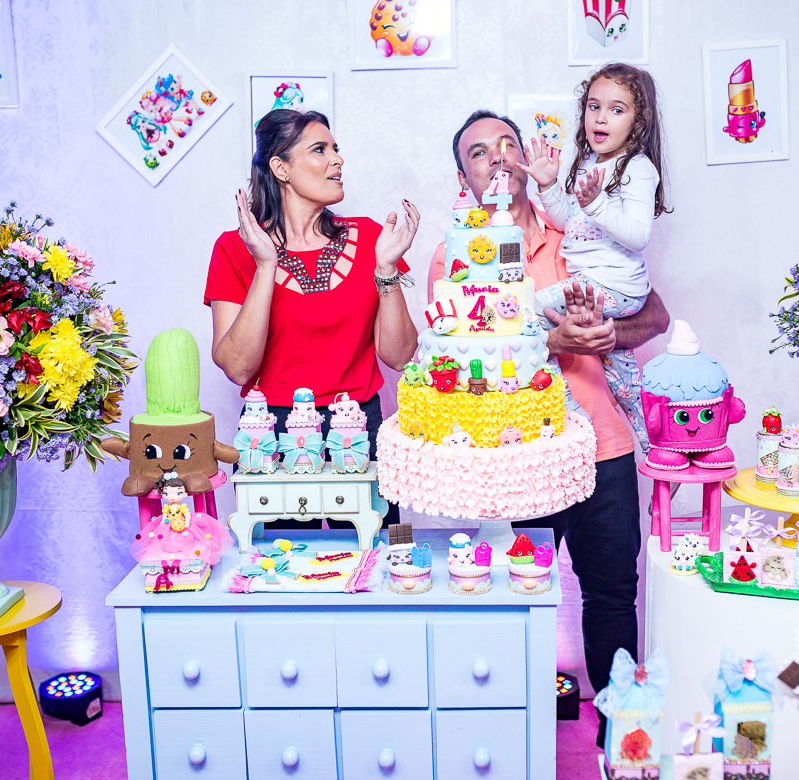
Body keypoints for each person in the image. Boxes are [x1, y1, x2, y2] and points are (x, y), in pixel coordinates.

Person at [429, 109, 671, 746]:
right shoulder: (456, 256)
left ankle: (623, 742)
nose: (498, 157)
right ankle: (504, 742)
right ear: (464, 177)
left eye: (507, 144)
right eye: (479, 152)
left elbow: (656, 316)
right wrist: (546, 341)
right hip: (516, 457)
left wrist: (609, 333)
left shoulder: (577, 230)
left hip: (602, 450)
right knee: (508, 597)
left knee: (613, 595)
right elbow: (449, 356)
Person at [205, 109, 419, 528]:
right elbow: (238, 367)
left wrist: (387, 270)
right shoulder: (234, 248)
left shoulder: (372, 237)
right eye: (320, 149)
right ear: (280, 168)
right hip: (270, 433)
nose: (338, 159)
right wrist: (265, 265)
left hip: (361, 428)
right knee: (274, 561)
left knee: (379, 552)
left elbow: (399, 355)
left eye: (336, 149)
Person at [519, 63, 672, 452]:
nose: (601, 118)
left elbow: (638, 236)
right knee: (622, 377)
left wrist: (597, 205)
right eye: (594, 106)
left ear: (638, 122)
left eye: (617, 110)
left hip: (612, 285)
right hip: (597, 285)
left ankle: (569, 412)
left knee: (526, 313)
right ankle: (658, 450)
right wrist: (549, 185)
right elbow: (569, 222)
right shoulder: (589, 163)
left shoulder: (637, 168)